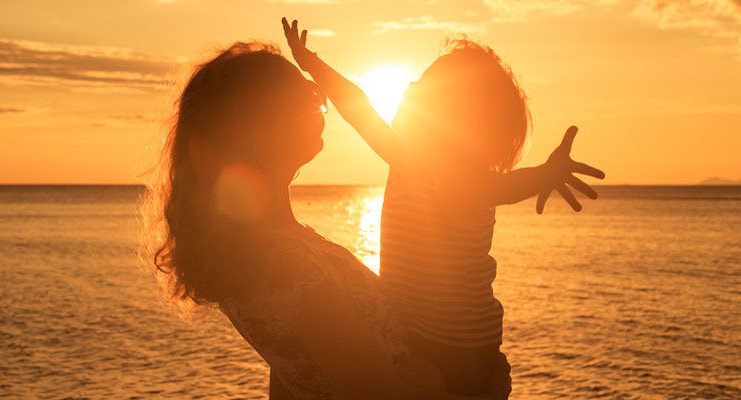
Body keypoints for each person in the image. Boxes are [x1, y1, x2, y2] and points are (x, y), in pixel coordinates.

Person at [153, 41, 511, 399]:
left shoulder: (270, 249)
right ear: (263, 128)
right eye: (303, 95)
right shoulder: (290, 268)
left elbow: (289, 381)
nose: (318, 98)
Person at [280, 18, 606, 395]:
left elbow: (491, 189)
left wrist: (542, 176)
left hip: (452, 350)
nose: (410, 86)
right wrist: (312, 63)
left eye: (421, 87)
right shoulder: (408, 157)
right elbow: (357, 106)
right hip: (442, 342)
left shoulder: (449, 173)